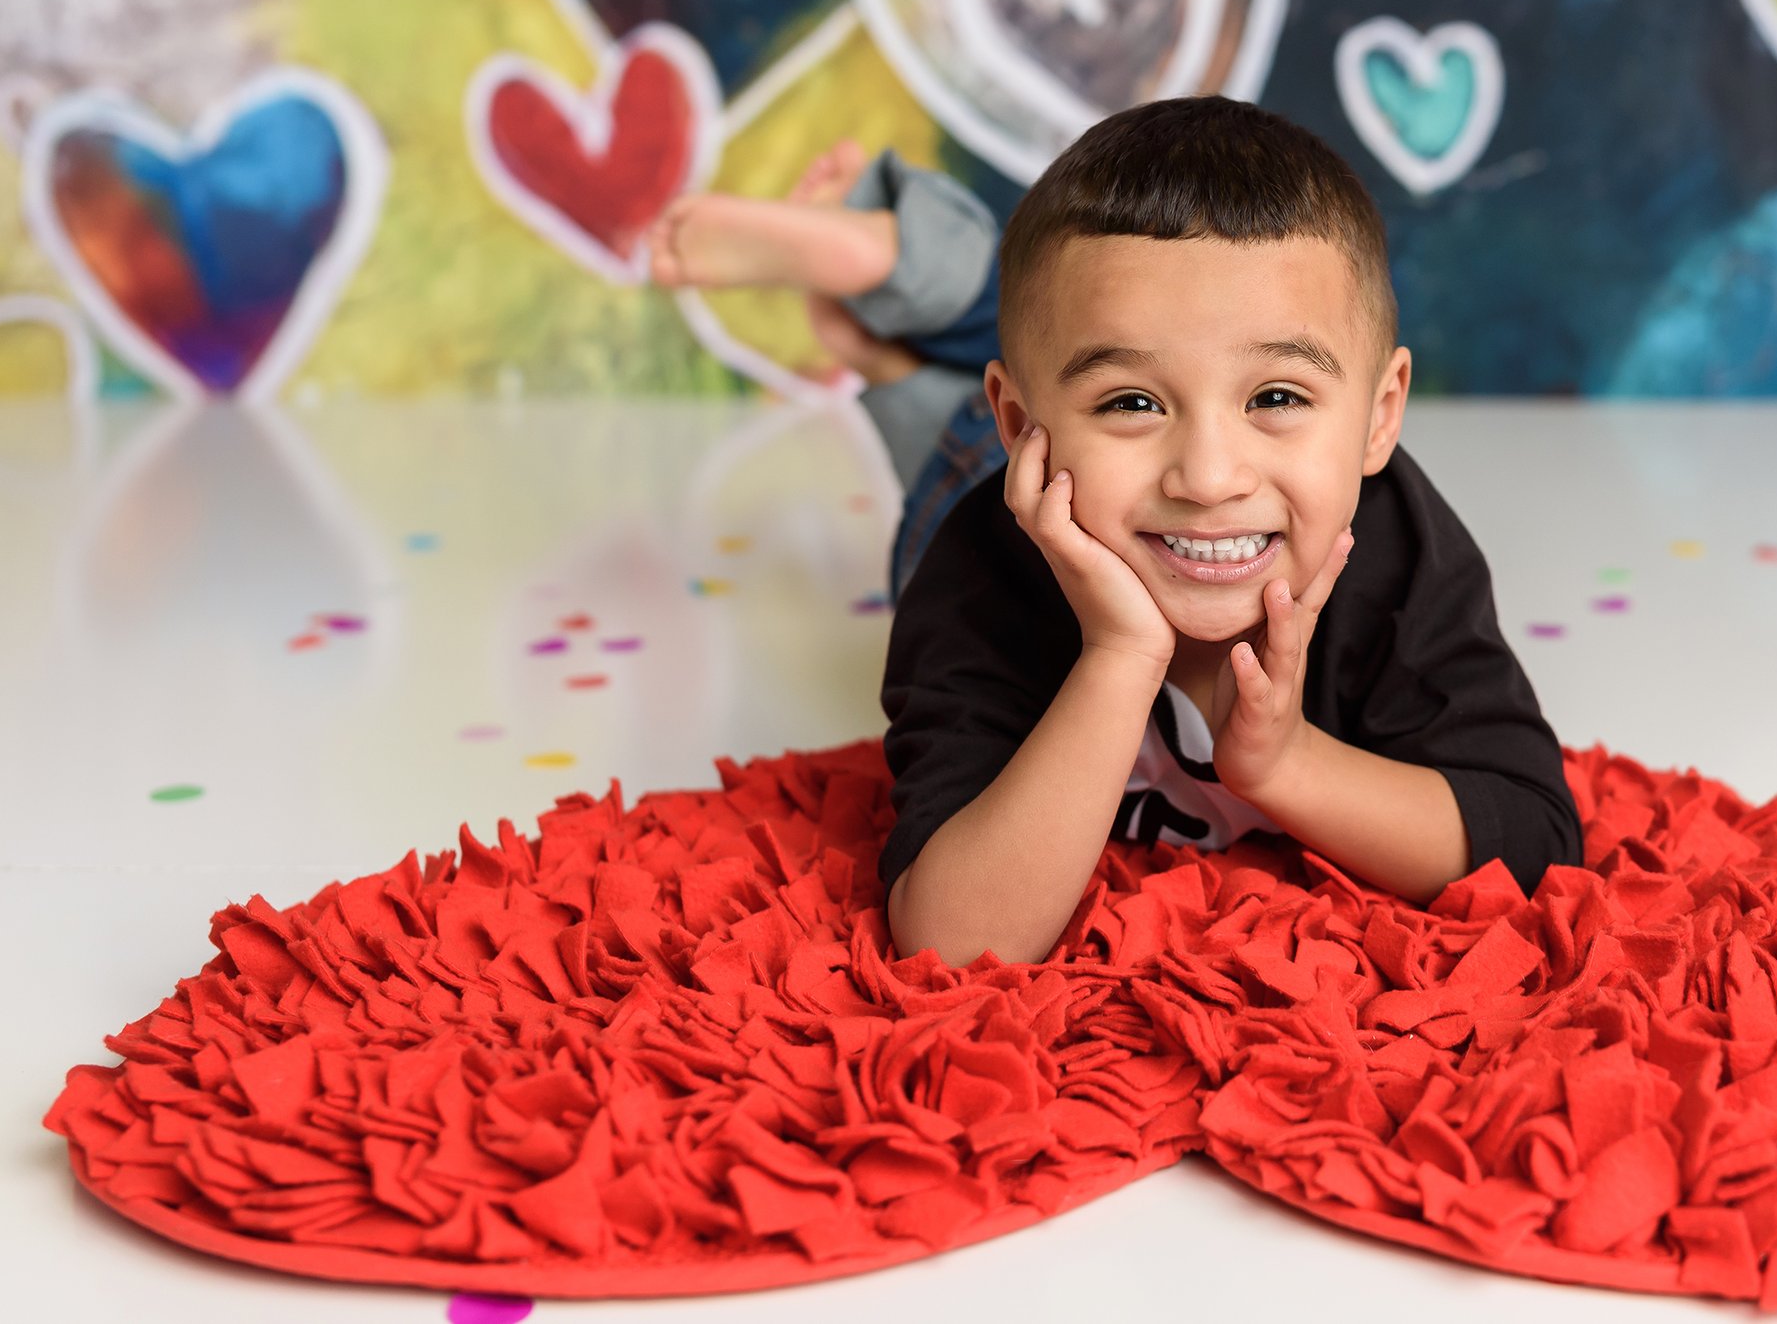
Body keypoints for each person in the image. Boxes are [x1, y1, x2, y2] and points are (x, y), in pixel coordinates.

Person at [646, 97, 1582, 967]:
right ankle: (888, 276)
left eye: (1277, 397)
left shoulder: (1397, 552)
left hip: (1096, 486)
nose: (1212, 477)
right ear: (1026, 424)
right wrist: (1122, 654)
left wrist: (1291, 765)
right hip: (990, 486)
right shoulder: (976, 570)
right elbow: (952, 937)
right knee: (967, 381)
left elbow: (1532, 838)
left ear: (1381, 418)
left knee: (1019, 342)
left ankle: (885, 349)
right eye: (1134, 400)